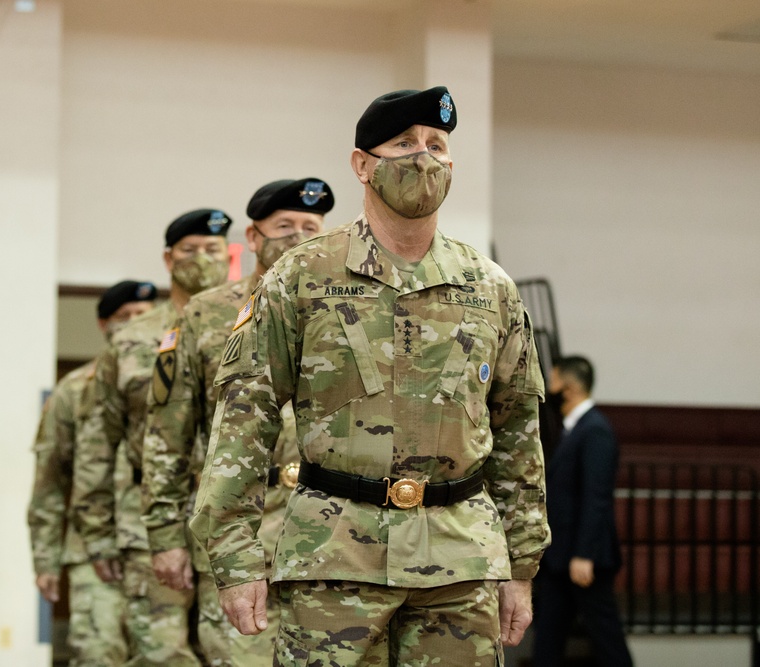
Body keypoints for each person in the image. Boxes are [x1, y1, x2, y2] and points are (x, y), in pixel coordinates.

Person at [190, 87, 549, 666]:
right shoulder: (302, 276)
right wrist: (234, 559)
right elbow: (243, 419)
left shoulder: (490, 289)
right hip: (332, 557)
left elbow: (516, 434)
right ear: (362, 164)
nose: (423, 158)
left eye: (437, 145)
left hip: (460, 564)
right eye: (403, 144)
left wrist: (522, 564)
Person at [144, 179, 334, 666]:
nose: (296, 236)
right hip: (241, 534)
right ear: (252, 237)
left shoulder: (345, 309)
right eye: (283, 225)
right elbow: (168, 435)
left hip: (330, 536)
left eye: (309, 226)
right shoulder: (208, 314)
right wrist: (165, 537)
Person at [71, 209, 233, 666]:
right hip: (147, 522)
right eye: (190, 250)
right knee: (160, 654)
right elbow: (97, 443)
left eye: (212, 250)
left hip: (235, 521)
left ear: (229, 256)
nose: (201, 259)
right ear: (168, 258)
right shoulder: (131, 340)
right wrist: (97, 535)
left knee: (234, 652)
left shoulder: (255, 325)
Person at [28, 279, 158, 667]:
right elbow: (50, 479)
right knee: (98, 654)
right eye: (125, 317)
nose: (135, 323)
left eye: (143, 315)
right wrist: (45, 558)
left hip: (159, 545)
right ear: (104, 325)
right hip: (90, 548)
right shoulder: (73, 390)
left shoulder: (176, 383)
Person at [532, 356, 633, 667]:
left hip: (582, 559)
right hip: (559, 557)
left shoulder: (595, 430)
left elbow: (596, 496)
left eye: (553, 381)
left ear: (570, 387)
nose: (549, 389)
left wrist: (584, 554)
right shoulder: (573, 429)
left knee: (606, 639)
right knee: (546, 640)